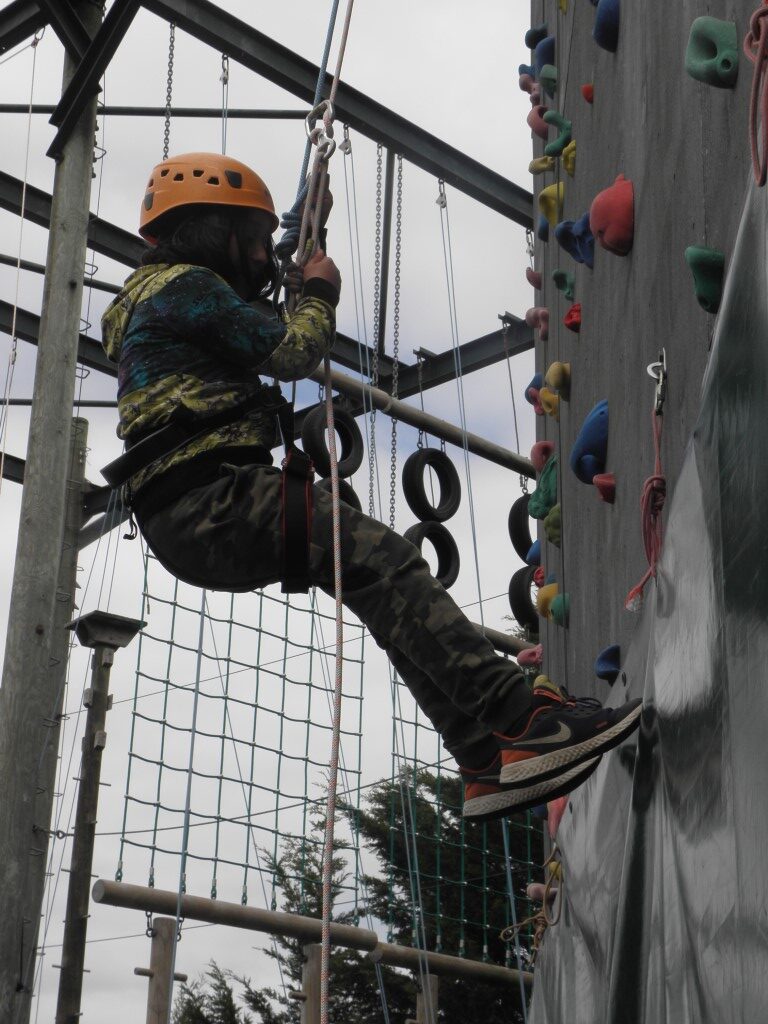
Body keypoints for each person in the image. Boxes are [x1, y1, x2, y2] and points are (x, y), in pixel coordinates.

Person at [101, 152, 642, 822]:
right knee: (387, 563)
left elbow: (256, 304)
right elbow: (293, 352)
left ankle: (482, 756)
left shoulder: (150, 299)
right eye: (250, 239)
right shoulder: (185, 287)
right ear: (214, 232)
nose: (260, 256)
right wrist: (320, 294)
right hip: (215, 498)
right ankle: (523, 718)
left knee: (375, 585)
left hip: (189, 515)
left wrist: (307, 227)